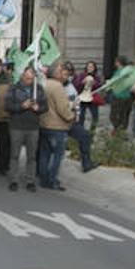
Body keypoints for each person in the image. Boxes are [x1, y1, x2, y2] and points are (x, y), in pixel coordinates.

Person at [5, 66, 47, 192]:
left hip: (33, 126)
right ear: (22, 76)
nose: (29, 80)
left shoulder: (38, 89)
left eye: (31, 77)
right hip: (17, 126)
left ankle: (30, 180)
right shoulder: (13, 88)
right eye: (27, 77)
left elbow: (45, 107)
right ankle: (13, 179)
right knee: (14, 154)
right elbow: (7, 106)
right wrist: (21, 106)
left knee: (31, 156)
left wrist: (38, 108)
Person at [38, 62, 75, 190]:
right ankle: (52, 180)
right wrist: (71, 116)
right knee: (57, 155)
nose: (63, 73)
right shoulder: (57, 87)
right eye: (61, 71)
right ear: (56, 73)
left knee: (44, 154)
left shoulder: (43, 84)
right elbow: (62, 108)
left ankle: (43, 178)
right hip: (57, 126)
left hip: (44, 123)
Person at [62, 62, 99, 173]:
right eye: (65, 73)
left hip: (72, 119)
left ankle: (86, 163)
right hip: (60, 121)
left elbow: (76, 95)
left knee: (85, 136)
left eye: (69, 73)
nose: (67, 75)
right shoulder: (56, 86)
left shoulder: (71, 83)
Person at [107, 56, 135, 134]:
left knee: (116, 116)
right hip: (126, 96)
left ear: (118, 62)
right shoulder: (127, 72)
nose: (115, 63)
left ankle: (118, 131)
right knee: (123, 116)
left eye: (116, 62)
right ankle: (121, 131)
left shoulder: (120, 72)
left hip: (119, 96)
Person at [74, 61, 103, 130]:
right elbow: (76, 86)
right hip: (82, 98)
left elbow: (99, 87)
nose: (90, 68)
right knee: (81, 116)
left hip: (92, 98)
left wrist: (94, 83)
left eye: (92, 67)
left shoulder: (96, 77)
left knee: (95, 116)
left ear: (94, 68)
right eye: (89, 66)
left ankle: (92, 132)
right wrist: (82, 82)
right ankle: (80, 131)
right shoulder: (82, 75)